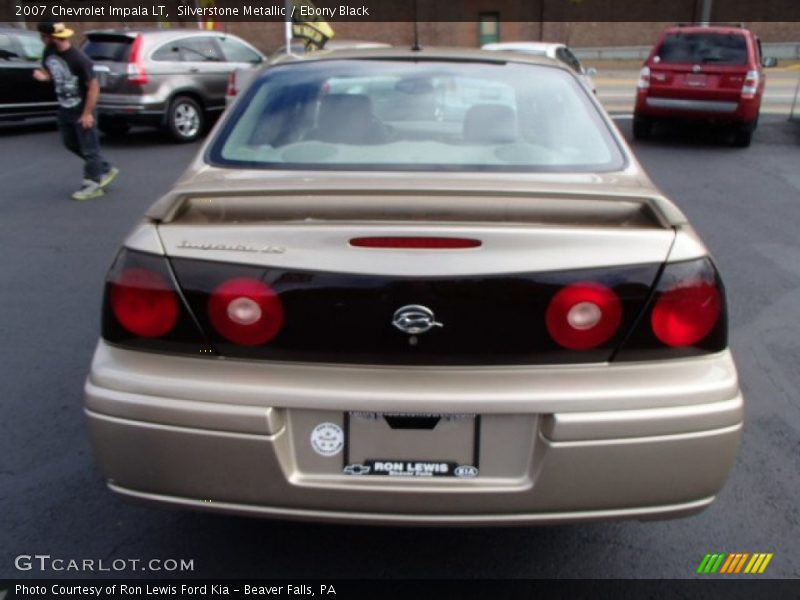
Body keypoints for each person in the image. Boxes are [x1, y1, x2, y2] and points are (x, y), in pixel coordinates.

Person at [33, 22, 118, 201]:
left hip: (82, 108)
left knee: (89, 149)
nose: (42, 40)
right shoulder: (49, 52)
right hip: (64, 108)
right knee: (70, 143)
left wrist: (87, 113)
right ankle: (104, 168)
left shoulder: (79, 58)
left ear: (50, 37)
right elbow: (52, 73)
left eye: (44, 37)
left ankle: (93, 184)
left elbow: (94, 87)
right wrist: (44, 77)